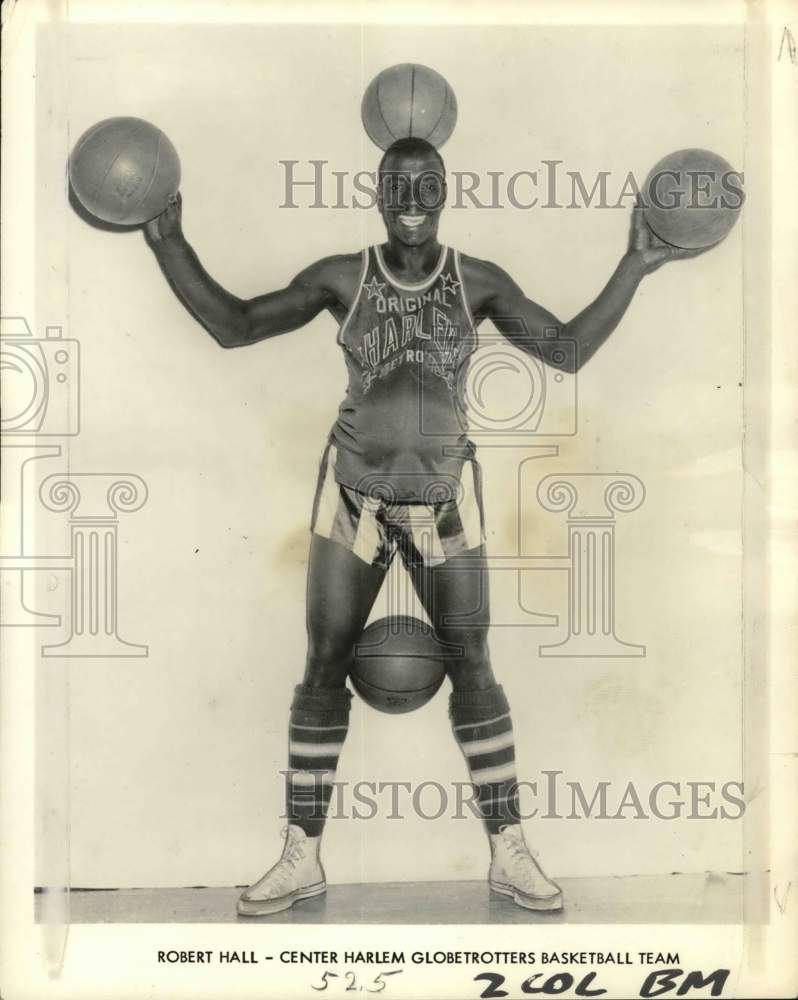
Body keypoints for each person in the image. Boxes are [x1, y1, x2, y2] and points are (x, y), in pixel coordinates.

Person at [144, 137, 704, 917]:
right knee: (323, 661)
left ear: (446, 191)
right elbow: (237, 326)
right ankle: (301, 855)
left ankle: (508, 848)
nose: (413, 193)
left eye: (428, 182)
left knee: (474, 662)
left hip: (444, 497)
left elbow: (566, 352)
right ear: (377, 191)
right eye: (398, 182)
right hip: (354, 494)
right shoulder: (344, 275)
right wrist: (170, 244)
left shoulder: (478, 281)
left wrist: (634, 263)